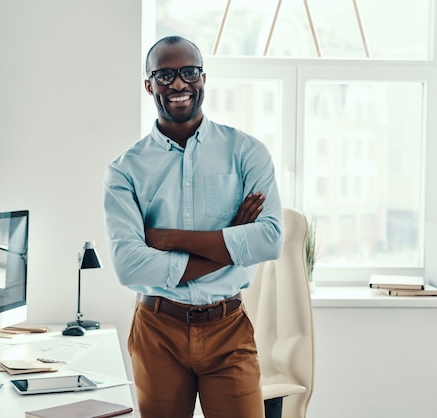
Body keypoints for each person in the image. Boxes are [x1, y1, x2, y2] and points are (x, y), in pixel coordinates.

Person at [103, 35, 283, 418]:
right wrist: (233, 237)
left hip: (228, 327)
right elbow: (130, 267)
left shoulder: (247, 152)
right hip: (157, 329)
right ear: (149, 84)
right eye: (165, 76)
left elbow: (269, 240)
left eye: (189, 73)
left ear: (203, 78)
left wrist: (173, 240)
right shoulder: (125, 169)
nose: (179, 84)